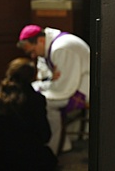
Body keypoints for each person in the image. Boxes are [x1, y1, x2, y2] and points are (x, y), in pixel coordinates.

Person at [16, 24, 90, 155]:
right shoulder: (47, 46)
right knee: (32, 94)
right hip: (70, 83)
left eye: (32, 51)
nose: (32, 56)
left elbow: (63, 84)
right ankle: (58, 140)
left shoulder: (61, 48)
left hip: (84, 88)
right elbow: (43, 76)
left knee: (45, 103)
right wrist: (48, 80)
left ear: (40, 40)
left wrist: (46, 84)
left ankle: (54, 146)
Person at [0, 58, 57, 171]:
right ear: (32, 77)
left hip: (2, 161)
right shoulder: (36, 100)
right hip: (30, 161)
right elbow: (45, 135)